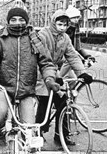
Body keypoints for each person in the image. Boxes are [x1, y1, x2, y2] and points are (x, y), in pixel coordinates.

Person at [0, 7, 59, 154]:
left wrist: (49, 79)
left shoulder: (35, 39)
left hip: (26, 90)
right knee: (0, 114)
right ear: (8, 22)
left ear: (27, 21)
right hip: (4, 87)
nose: (18, 23)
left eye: (21, 20)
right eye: (13, 20)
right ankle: (0, 134)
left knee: (30, 130)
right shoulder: (0, 40)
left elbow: (46, 63)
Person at [35, 10, 94, 145]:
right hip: (42, 73)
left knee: (63, 102)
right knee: (44, 104)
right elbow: (42, 58)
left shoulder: (65, 38)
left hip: (55, 72)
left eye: (65, 25)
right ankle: (38, 133)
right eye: (59, 24)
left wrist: (82, 73)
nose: (62, 27)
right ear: (53, 22)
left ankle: (61, 134)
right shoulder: (43, 35)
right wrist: (56, 75)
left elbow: (72, 55)